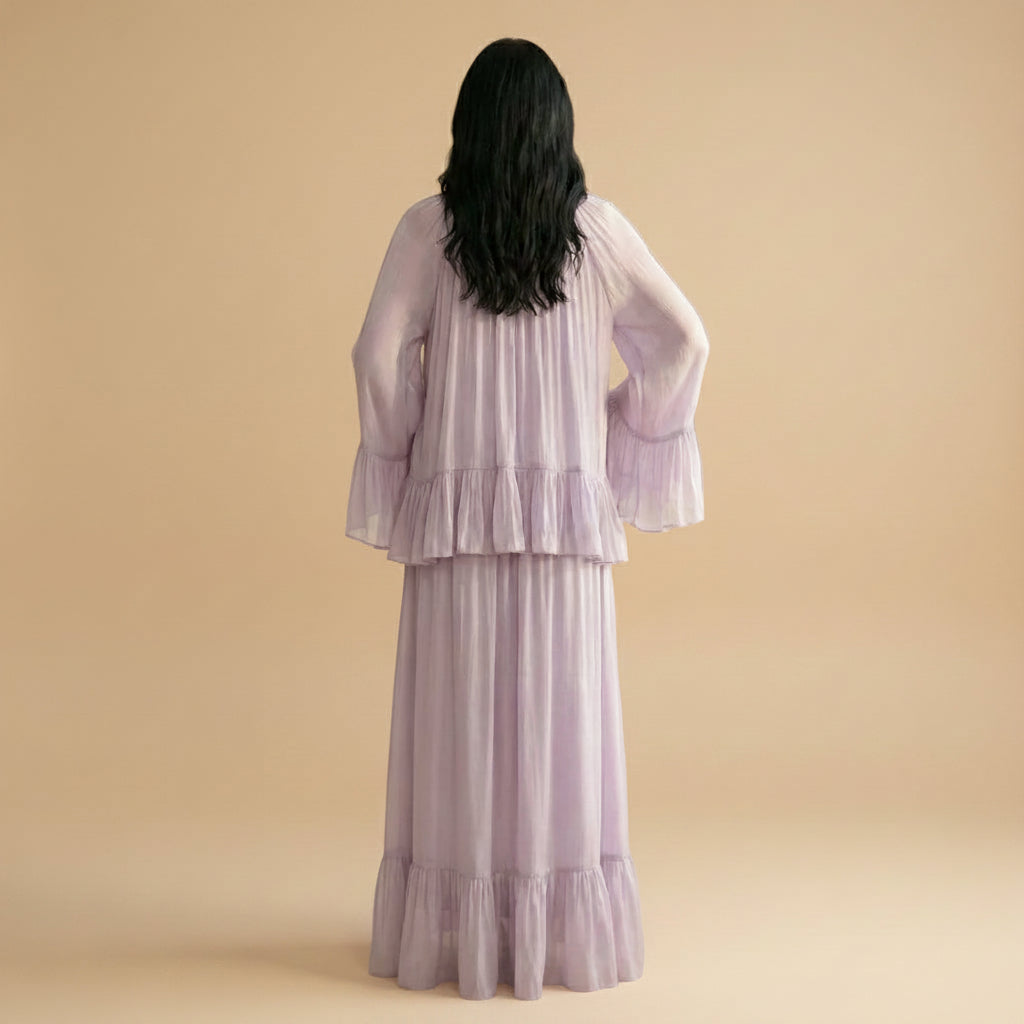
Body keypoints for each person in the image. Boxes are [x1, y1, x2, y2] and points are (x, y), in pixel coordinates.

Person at [345, 37, 710, 1001]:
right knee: (561, 731)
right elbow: (683, 340)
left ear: (467, 127)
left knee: (459, 732)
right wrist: (621, 427)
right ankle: (554, 934)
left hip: (458, 522)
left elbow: (376, 358)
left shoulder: (428, 231)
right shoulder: (598, 234)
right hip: (565, 525)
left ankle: (461, 939)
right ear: (559, 131)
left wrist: (409, 445)